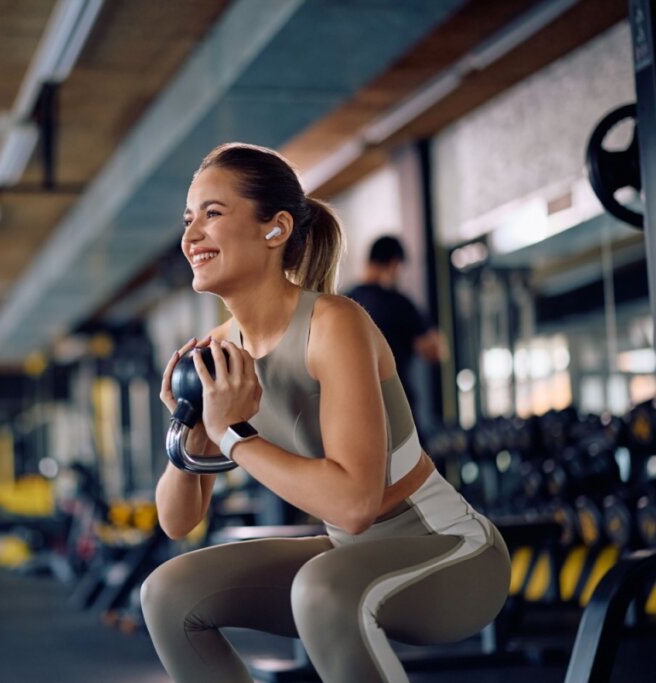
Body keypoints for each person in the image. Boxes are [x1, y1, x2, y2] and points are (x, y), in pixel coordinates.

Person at [140, 142, 510, 683]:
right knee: (167, 593)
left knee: (322, 588)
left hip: (450, 554)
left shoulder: (333, 323)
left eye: (212, 214)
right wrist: (191, 429)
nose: (191, 235)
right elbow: (177, 521)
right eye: (188, 219)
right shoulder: (219, 354)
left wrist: (233, 435)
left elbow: (355, 503)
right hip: (345, 557)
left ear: (276, 228)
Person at [346, 235, 446, 418]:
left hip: (354, 408)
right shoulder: (399, 303)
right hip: (397, 408)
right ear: (394, 264)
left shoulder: (343, 301)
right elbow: (436, 351)